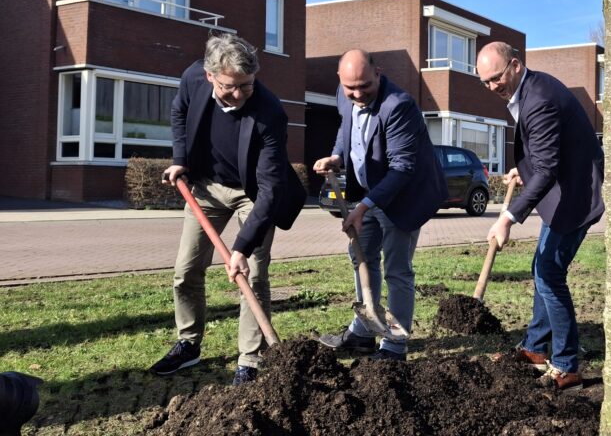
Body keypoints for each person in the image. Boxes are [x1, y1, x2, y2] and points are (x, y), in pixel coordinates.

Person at [150, 33, 305, 385]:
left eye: (246, 86)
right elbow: (179, 111)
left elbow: (270, 190)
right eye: (229, 87)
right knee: (186, 270)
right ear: (210, 76)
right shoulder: (192, 77)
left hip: (252, 194)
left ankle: (249, 360)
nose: (239, 95)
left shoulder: (269, 112)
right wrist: (180, 160)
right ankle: (188, 344)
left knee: (254, 273)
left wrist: (241, 248)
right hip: (205, 187)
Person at [477, 41, 604, 391]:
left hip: (575, 196)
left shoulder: (539, 99)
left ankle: (566, 365)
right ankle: (535, 348)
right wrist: (525, 170)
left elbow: (548, 168)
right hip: (561, 190)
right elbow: (545, 151)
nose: (492, 87)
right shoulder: (527, 90)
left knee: (549, 272)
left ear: (515, 65)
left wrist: (507, 217)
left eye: (496, 77)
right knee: (543, 268)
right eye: (485, 82)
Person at [313, 49, 446, 361]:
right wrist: (336, 156)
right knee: (361, 256)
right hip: (370, 193)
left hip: (404, 197)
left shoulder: (398, 105)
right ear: (340, 81)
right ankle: (364, 331)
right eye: (351, 87)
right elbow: (347, 132)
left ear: (378, 73)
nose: (358, 94)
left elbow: (402, 168)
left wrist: (362, 208)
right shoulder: (344, 95)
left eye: (364, 86)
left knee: (397, 270)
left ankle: (395, 346)